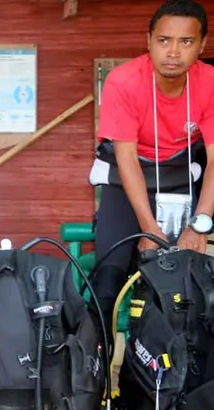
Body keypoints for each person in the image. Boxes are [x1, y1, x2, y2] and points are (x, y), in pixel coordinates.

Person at [91, 0, 214, 334]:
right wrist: (148, 229)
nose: (173, 51)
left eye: (186, 42)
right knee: (110, 272)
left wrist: (200, 226)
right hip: (126, 175)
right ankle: (93, 373)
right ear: (149, 41)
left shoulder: (210, 83)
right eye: (164, 40)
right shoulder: (124, 81)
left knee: (199, 269)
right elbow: (127, 158)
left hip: (182, 173)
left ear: (202, 45)